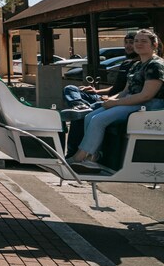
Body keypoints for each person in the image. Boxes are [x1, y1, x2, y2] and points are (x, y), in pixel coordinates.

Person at [68, 29, 164, 170]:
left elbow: (146, 95)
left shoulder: (156, 65)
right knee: (89, 116)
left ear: (154, 44)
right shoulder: (136, 65)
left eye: (144, 41)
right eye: (136, 41)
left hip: (149, 106)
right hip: (132, 102)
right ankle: (93, 157)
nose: (138, 44)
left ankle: (80, 157)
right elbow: (125, 91)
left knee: (99, 120)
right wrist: (109, 101)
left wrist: (116, 103)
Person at [61, 32, 138, 156]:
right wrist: (96, 91)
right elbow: (116, 87)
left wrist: (111, 99)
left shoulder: (144, 66)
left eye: (132, 43)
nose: (128, 46)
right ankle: (80, 105)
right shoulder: (127, 64)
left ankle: (75, 152)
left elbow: (128, 92)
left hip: (117, 100)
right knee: (71, 88)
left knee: (84, 116)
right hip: (108, 97)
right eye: (126, 43)